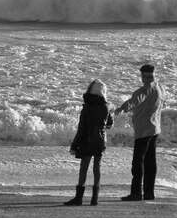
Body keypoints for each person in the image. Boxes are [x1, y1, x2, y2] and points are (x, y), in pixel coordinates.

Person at [115, 64, 166, 201]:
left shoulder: (144, 90)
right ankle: (149, 193)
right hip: (155, 128)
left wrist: (121, 108)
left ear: (143, 76)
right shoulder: (160, 88)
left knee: (138, 162)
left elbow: (134, 101)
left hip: (143, 130)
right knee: (150, 162)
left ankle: (136, 193)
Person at [64, 79, 114, 206]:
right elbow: (109, 125)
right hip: (101, 141)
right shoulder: (106, 106)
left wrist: (74, 145)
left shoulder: (87, 107)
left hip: (87, 141)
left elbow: (81, 129)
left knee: (84, 168)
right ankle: (94, 198)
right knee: (97, 168)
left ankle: (79, 198)